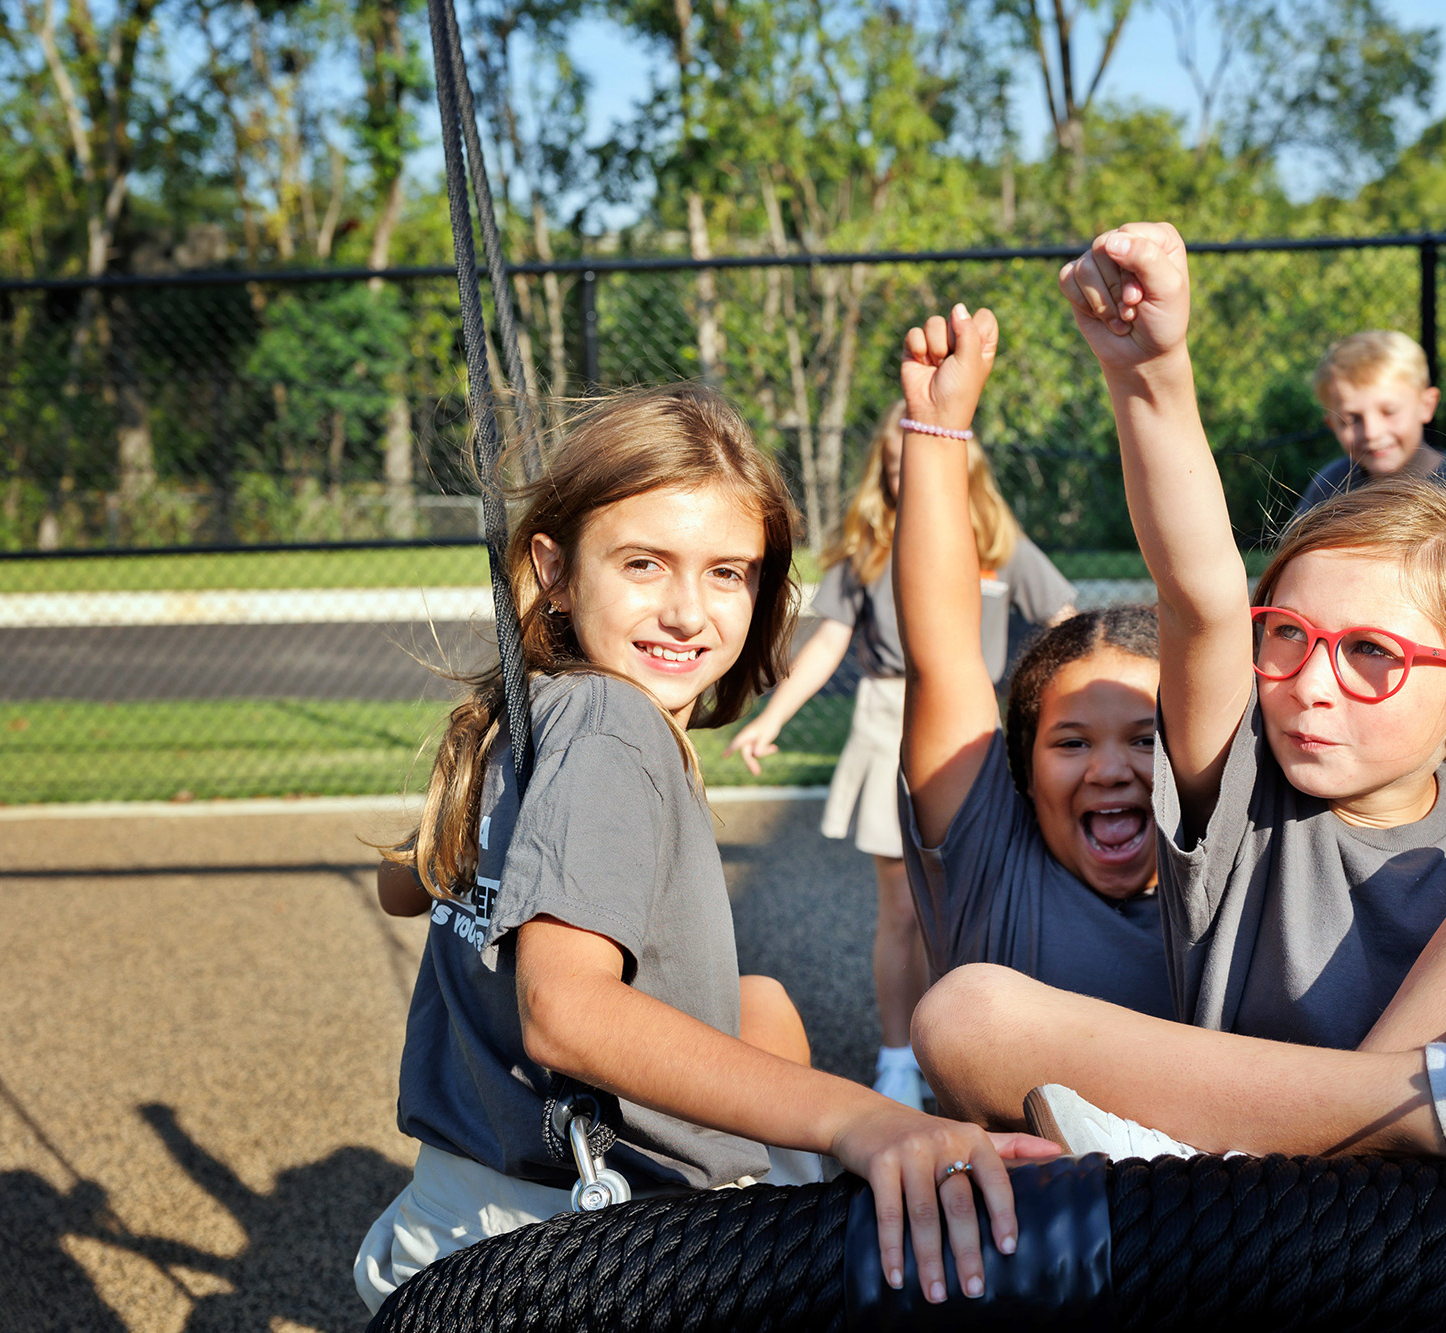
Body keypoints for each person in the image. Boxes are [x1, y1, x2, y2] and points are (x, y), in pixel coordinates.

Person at [909, 224, 1446, 1175]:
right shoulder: (1242, 794)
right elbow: (1203, 589)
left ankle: (1269, 1160)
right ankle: (1427, 1118)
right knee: (964, 1012)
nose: (1307, 681)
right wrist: (1151, 371)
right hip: (1305, 1224)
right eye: (1287, 636)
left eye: (1371, 652)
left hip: (1428, 1233)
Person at [357, 386, 1055, 1314]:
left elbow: (401, 886)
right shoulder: (611, 726)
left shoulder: (529, 714)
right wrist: (865, 1117)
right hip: (567, 1255)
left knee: (758, 1007)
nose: (689, 611)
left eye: (728, 572)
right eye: (645, 563)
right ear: (554, 570)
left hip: (450, 1204)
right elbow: (565, 1013)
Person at [729, 401, 1076, 1110]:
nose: (904, 478)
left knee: (980, 901)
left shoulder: (996, 542)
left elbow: (1065, 620)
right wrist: (773, 717)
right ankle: (897, 1057)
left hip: (976, 726)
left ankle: (985, 1051)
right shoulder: (868, 552)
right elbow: (826, 644)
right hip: (889, 721)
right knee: (902, 910)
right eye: (894, 467)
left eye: (918, 464)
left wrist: (1067, 704)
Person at [891, 302, 1174, 1021]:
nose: (1109, 768)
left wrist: (1152, 369)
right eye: (1072, 741)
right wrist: (937, 427)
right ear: (1022, 767)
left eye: (1145, 738)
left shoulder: (1237, 882)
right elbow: (943, 656)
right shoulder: (993, 859)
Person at [1287, 329, 1446, 526]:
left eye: (1389, 412)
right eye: (1352, 419)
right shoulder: (1329, 488)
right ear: (1331, 425)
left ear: (1426, 405)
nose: (1372, 433)